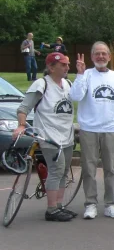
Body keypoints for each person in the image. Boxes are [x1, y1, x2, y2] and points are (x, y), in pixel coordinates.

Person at [13, 53, 76, 222]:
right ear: (51, 67)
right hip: (49, 136)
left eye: (67, 64)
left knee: (64, 171)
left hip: (67, 135)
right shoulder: (42, 84)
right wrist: (21, 125)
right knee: (56, 170)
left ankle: (59, 205)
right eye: (63, 65)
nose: (67, 67)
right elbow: (23, 108)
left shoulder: (68, 84)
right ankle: (51, 209)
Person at [70, 43, 114, 219]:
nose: (101, 57)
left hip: (110, 128)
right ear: (92, 56)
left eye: (104, 53)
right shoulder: (86, 75)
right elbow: (75, 96)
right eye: (97, 54)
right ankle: (90, 204)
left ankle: (110, 204)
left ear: (109, 57)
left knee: (111, 168)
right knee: (89, 168)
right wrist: (80, 74)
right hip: (89, 128)